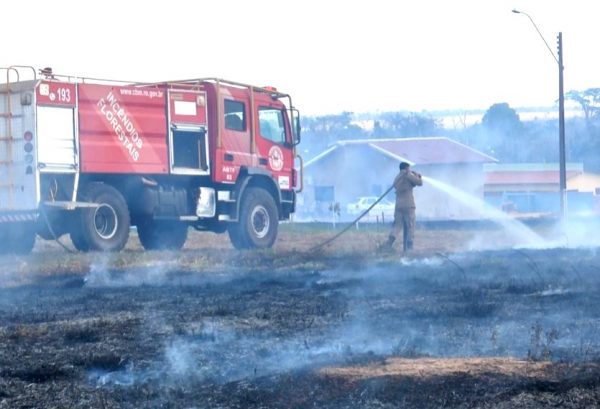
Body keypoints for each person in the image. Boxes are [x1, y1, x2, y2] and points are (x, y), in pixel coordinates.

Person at [386, 162, 423, 251]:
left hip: (398, 205)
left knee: (397, 226)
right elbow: (419, 183)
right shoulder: (408, 175)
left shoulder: (397, 177)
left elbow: (406, 185)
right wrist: (417, 176)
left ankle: (389, 243)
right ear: (406, 168)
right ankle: (409, 248)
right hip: (408, 205)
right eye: (409, 168)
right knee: (410, 226)